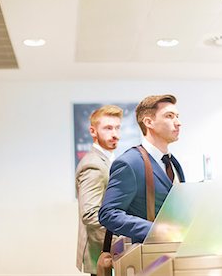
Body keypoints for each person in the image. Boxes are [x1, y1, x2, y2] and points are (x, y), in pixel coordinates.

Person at [98, 94, 185, 244]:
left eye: (177, 116)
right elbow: (108, 214)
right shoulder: (129, 163)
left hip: (176, 252)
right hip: (148, 257)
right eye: (169, 116)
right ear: (149, 122)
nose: (178, 123)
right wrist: (153, 229)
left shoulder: (174, 163)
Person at [76, 105, 123, 276]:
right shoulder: (93, 165)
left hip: (109, 252)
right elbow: (90, 214)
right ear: (93, 131)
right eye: (108, 128)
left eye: (118, 127)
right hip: (101, 252)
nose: (115, 134)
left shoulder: (109, 160)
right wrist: (123, 236)